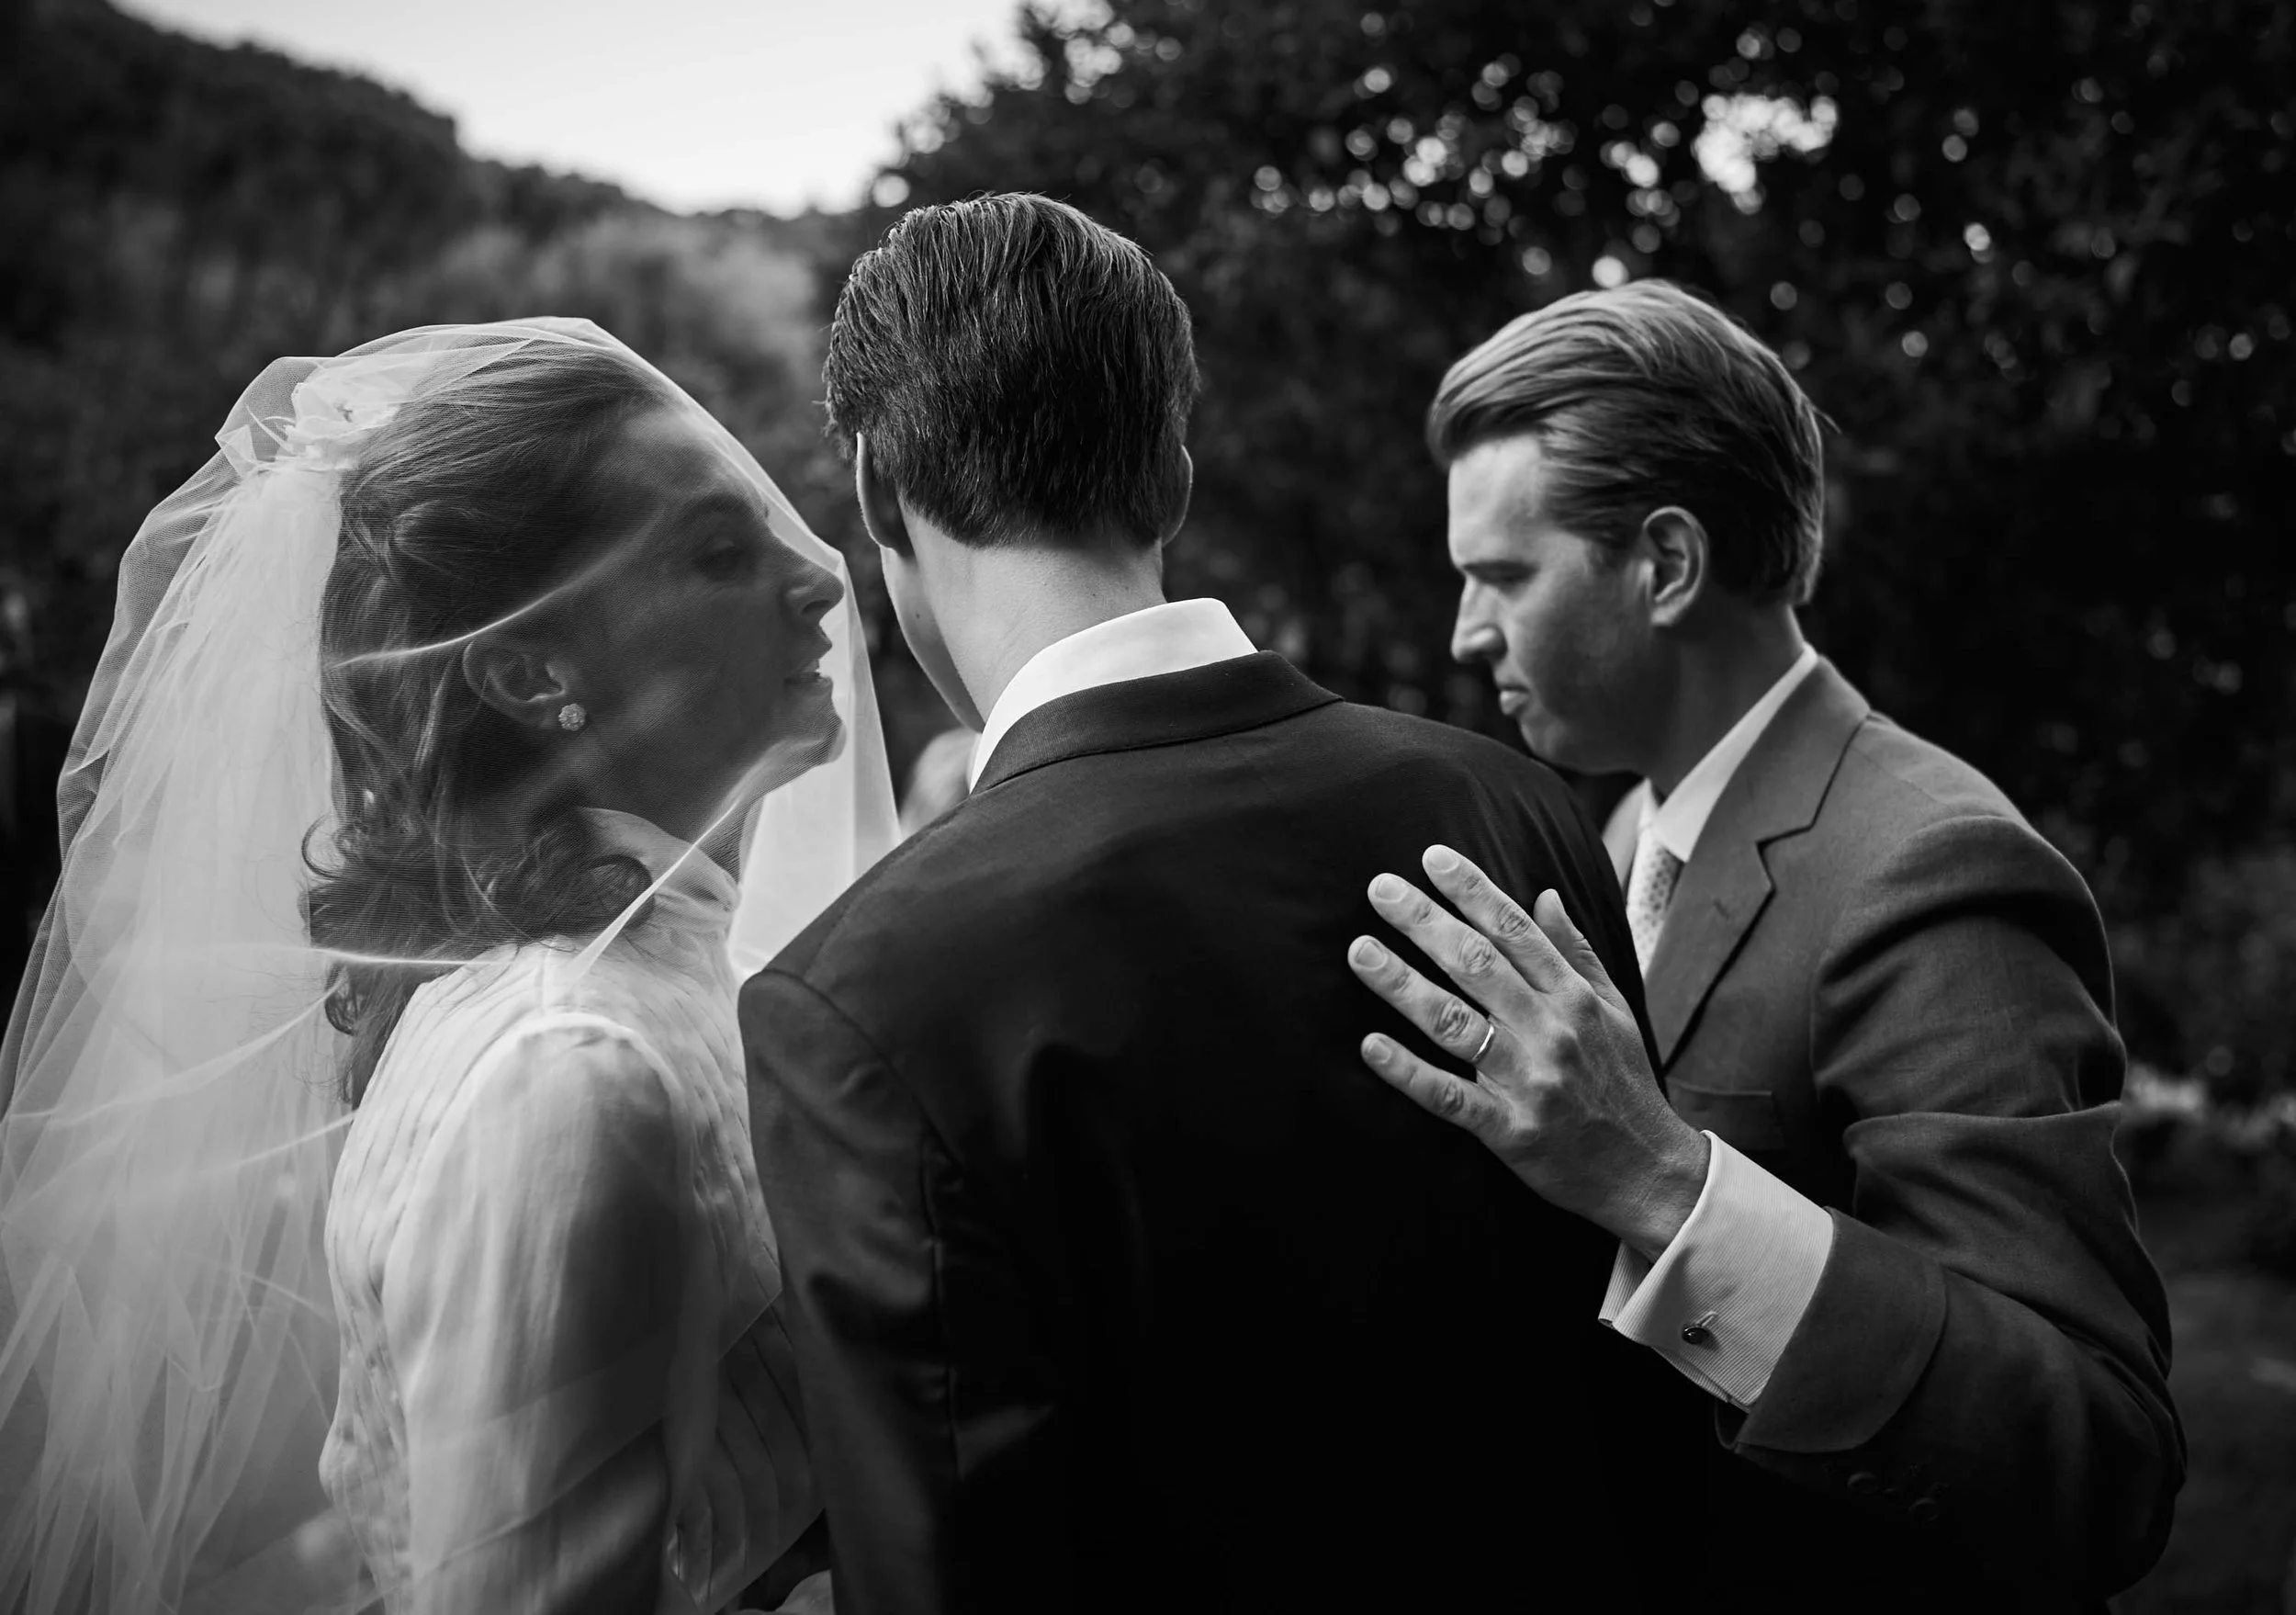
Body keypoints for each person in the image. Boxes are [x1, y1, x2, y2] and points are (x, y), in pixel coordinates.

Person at [741, 194, 1704, 1615]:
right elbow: (1640, 1404)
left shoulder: (858, 998)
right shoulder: (1515, 811)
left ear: (883, 492)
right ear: (1174, 475)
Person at [0, 320, 895, 1613]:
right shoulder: (569, 1074)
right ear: (530, 671)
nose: (817, 578)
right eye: (718, 552)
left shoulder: (664, 984)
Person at [1347, 281, 2182, 1609]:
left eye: (1501, 575)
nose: (1465, 632)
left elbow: (2096, 1454)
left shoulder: (1932, 864)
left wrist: (1669, 1185)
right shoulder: (1626, 831)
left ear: (1667, 565)